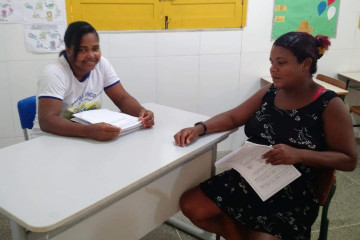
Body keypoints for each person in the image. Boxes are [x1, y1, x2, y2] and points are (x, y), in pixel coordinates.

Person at [174, 32, 358, 240]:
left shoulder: (329, 105)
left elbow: (349, 160)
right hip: (249, 177)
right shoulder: (270, 93)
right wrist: (200, 128)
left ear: (305, 64)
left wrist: (299, 154)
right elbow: (234, 116)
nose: (273, 69)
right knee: (191, 205)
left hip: (291, 191)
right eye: (271, 62)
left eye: (281, 62)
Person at [32, 21, 154, 141]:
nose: (91, 55)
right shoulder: (53, 73)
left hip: (84, 139)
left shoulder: (101, 64)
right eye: (83, 50)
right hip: (50, 141)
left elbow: (122, 98)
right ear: (69, 50)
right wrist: (87, 131)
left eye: (95, 48)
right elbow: (47, 121)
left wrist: (141, 112)